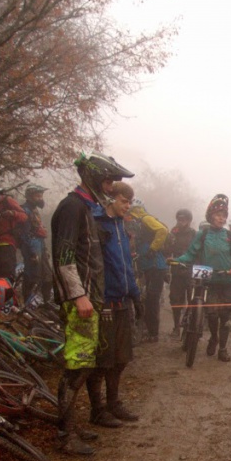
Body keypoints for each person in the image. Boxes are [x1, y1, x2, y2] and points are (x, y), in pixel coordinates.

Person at [50, 151, 134, 455]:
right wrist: (78, 295)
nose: (111, 186)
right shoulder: (72, 207)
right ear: (95, 177)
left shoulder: (86, 207)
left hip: (92, 299)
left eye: (113, 181)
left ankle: (71, 426)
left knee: (85, 365)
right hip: (80, 301)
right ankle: (64, 434)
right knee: (76, 366)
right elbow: (64, 255)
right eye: (108, 179)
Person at [86, 181, 144, 428]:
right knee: (103, 359)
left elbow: (126, 265)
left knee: (122, 357)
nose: (127, 206)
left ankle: (113, 403)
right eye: (124, 201)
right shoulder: (95, 222)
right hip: (104, 300)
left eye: (130, 202)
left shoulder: (121, 225)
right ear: (110, 199)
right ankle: (97, 410)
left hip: (123, 299)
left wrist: (135, 294)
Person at [175, 194, 231, 362]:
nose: (222, 218)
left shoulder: (230, 236)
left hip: (227, 281)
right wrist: (177, 261)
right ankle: (213, 337)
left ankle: (223, 349)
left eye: (224, 215)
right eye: (219, 215)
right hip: (209, 282)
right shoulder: (202, 234)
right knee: (212, 315)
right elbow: (191, 253)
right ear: (211, 216)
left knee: (225, 317)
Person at [130, 200, 169, 343]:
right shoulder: (137, 222)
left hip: (156, 267)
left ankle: (153, 333)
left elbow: (162, 230)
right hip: (146, 266)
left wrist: (153, 249)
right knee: (146, 299)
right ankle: (148, 331)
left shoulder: (145, 219)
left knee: (152, 300)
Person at [0, 186, 29, 284]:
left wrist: (12, 213)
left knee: (5, 276)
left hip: (7, 243)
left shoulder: (7, 200)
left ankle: (6, 298)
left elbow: (24, 216)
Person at [165, 208, 197, 336]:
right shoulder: (173, 233)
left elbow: (198, 251)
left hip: (190, 271)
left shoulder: (194, 234)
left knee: (192, 299)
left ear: (189, 220)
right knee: (175, 300)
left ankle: (188, 325)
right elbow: (166, 251)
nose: (181, 221)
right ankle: (176, 327)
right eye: (179, 219)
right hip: (176, 271)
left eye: (184, 219)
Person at [19, 183, 51, 302]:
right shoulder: (25, 209)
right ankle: (26, 301)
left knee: (48, 276)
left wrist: (45, 249)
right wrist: (32, 252)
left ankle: (46, 302)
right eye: (38, 196)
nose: (40, 199)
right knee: (32, 276)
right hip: (31, 247)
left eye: (41, 196)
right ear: (30, 196)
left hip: (40, 245)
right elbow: (24, 233)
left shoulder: (34, 210)